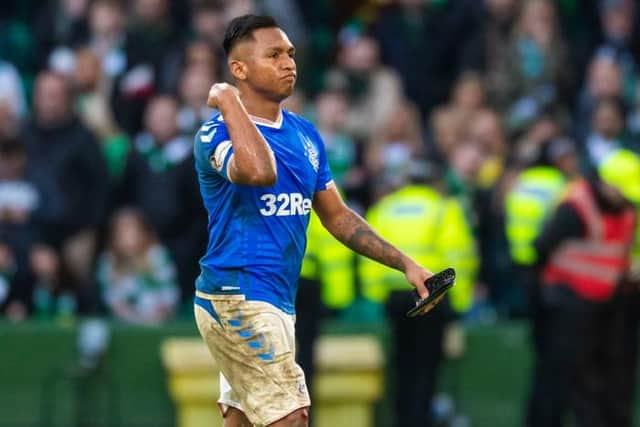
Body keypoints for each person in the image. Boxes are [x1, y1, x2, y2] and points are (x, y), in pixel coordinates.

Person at [192, 15, 435, 427]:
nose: (289, 63)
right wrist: (230, 101)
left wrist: (406, 264)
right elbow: (258, 172)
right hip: (237, 294)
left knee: (243, 421)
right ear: (239, 70)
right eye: (273, 54)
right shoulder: (213, 134)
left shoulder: (304, 135)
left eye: (290, 53)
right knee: (292, 417)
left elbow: (338, 217)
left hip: (276, 300)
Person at [358, 160, 477, 427]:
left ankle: (402, 420)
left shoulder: (385, 209)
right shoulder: (444, 210)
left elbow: (369, 253)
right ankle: (420, 420)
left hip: (393, 297)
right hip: (431, 296)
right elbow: (459, 257)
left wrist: (375, 296)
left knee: (401, 365)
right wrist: (459, 301)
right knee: (426, 367)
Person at [525, 148, 639, 427]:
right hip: (565, 304)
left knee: (597, 383)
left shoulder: (625, 210)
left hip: (603, 309)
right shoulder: (576, 207)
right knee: (562, 380)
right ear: (607, 183)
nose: (626, 199)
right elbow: (540, 250)